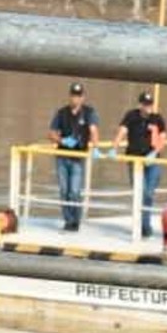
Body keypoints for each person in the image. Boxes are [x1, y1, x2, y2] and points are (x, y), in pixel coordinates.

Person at [112, 91, 167, 238]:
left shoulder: (157, 119)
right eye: (145, 104)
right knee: (140, 192)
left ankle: (144, 225)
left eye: (150, 104)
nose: (148, 107)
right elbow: (122, 131)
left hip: (152, 160)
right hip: (135, 160)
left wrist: (155, 153)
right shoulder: (132, 115)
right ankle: (144, 227)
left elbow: (163, 138)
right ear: (140, 104)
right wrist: (114, 148)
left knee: (148, 193)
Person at [47, 82, 100, 232]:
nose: (75, 99)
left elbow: (94, 130)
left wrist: (95, 147)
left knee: (74, 191)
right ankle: (68, 220)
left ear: (83, 97)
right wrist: (62, 140)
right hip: (62, 156)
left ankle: (76, 220)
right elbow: (51, 133)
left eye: (78, 96)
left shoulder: (89, 113)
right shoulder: (61, 113)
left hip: (78, 157)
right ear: (69, 96)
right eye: (73, 96)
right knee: (64, 190)